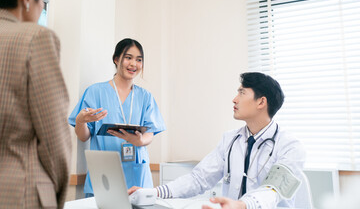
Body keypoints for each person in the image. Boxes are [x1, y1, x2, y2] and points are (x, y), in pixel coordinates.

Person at [129, 72, 306, 208]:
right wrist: (154, 192)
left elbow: (273, 190)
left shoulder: (290, 147)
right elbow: (198, 179)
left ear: (261, 102)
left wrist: (243, 205)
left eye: (242, 93)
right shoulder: (230, 139)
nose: (234, 99)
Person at [0, 0, 72, 208]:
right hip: (20, 191)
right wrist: (56, 194)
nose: (42, 6)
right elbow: (55, 139)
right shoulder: (35, 38)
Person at [68, 38, 166, 197]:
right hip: (105, 174)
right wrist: (80, 121)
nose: (134, 64)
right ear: (116, 59)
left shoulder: (145, 97)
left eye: (139, 59)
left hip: (137, 177)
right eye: (128, 58)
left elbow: (151, 133)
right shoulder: (95, 92)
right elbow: (83, 136)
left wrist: (140, 141)